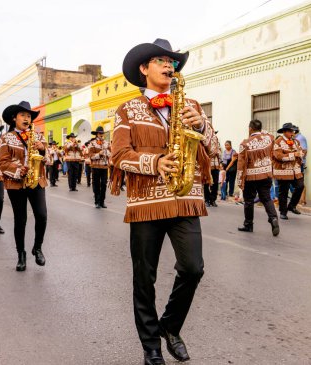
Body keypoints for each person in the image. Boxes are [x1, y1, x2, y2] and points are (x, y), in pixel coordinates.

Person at [111, 39, 217, 365]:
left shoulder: (192, 106)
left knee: (193, 268)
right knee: (145, 278)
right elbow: (118, 156)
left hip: (186, 199)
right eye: (160, 60)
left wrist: (202, 126)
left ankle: (170, 326)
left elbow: (212, 149)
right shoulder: (127, 110)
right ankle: (151, 347)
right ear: (144, 69)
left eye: (171, 61)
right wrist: (154, 163)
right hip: (146, 203)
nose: (168, 66)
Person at [0, 101, 49, 271]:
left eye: (29, 116)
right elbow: (3, 163)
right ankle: (21, 254)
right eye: (23, 115)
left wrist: (42, 149)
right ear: (14, 118)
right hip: (16, 183)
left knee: (41, 215)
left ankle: (38, 247)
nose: (27, 119)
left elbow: (47, 159)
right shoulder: (6, 138)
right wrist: (20, 169)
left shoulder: (39, 136)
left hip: (36, 180)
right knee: (20, 220)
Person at [236, 119, 279, 236]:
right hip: (266, 174)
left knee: (249, 201)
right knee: (266, 198)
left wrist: (240, 181)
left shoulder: (245, 144)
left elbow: (241, 164)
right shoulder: (269, 138)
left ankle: (248, 225)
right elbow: (270, 138)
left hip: (251, 177)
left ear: (250, 129)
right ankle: (273, 218)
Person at [272, 123, 304, 220]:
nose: (293, 133)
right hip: (283, 171)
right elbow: (279, 156)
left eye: (293, 131)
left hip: (295, 170)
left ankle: (292, 206)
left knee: (300, 186)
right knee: (283, 191)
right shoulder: (278, 142)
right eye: (290, 131)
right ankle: (283, 211)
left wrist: (300, 154)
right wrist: (294, 154)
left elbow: (301, 152)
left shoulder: (296, 142)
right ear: (285, 132)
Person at [89, 126, 111, 208]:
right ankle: (97, 201)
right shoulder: (92, 143)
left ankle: (102, 201)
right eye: (100, 133)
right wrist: (99, 154)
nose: (101, 135)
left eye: (102, 133)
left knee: (104, 184)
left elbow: (111, 154)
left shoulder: (106, 143)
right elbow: (90, 156)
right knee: (96, 184)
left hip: (104, 166)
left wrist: (106, 153)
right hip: (95, 166)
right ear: (97, 134)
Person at [204, 136, 221, 207]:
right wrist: (211, 153)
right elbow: (204, 152)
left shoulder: (217, 142)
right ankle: (207, 200)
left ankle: (213, 199)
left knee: (215, 183)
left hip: (216, 165)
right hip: (207, 165)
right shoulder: (205, 141)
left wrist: (217, 153)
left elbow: (220, 152)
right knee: (206, 183)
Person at [293, 125, 307, 205]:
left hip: (299, 163)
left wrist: (301, 161)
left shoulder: (300, 138)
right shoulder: (296, 138)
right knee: (299, 182)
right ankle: (300, 200)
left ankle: (302, 200)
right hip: (297, 163)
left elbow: (304, 151)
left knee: (300, 182)